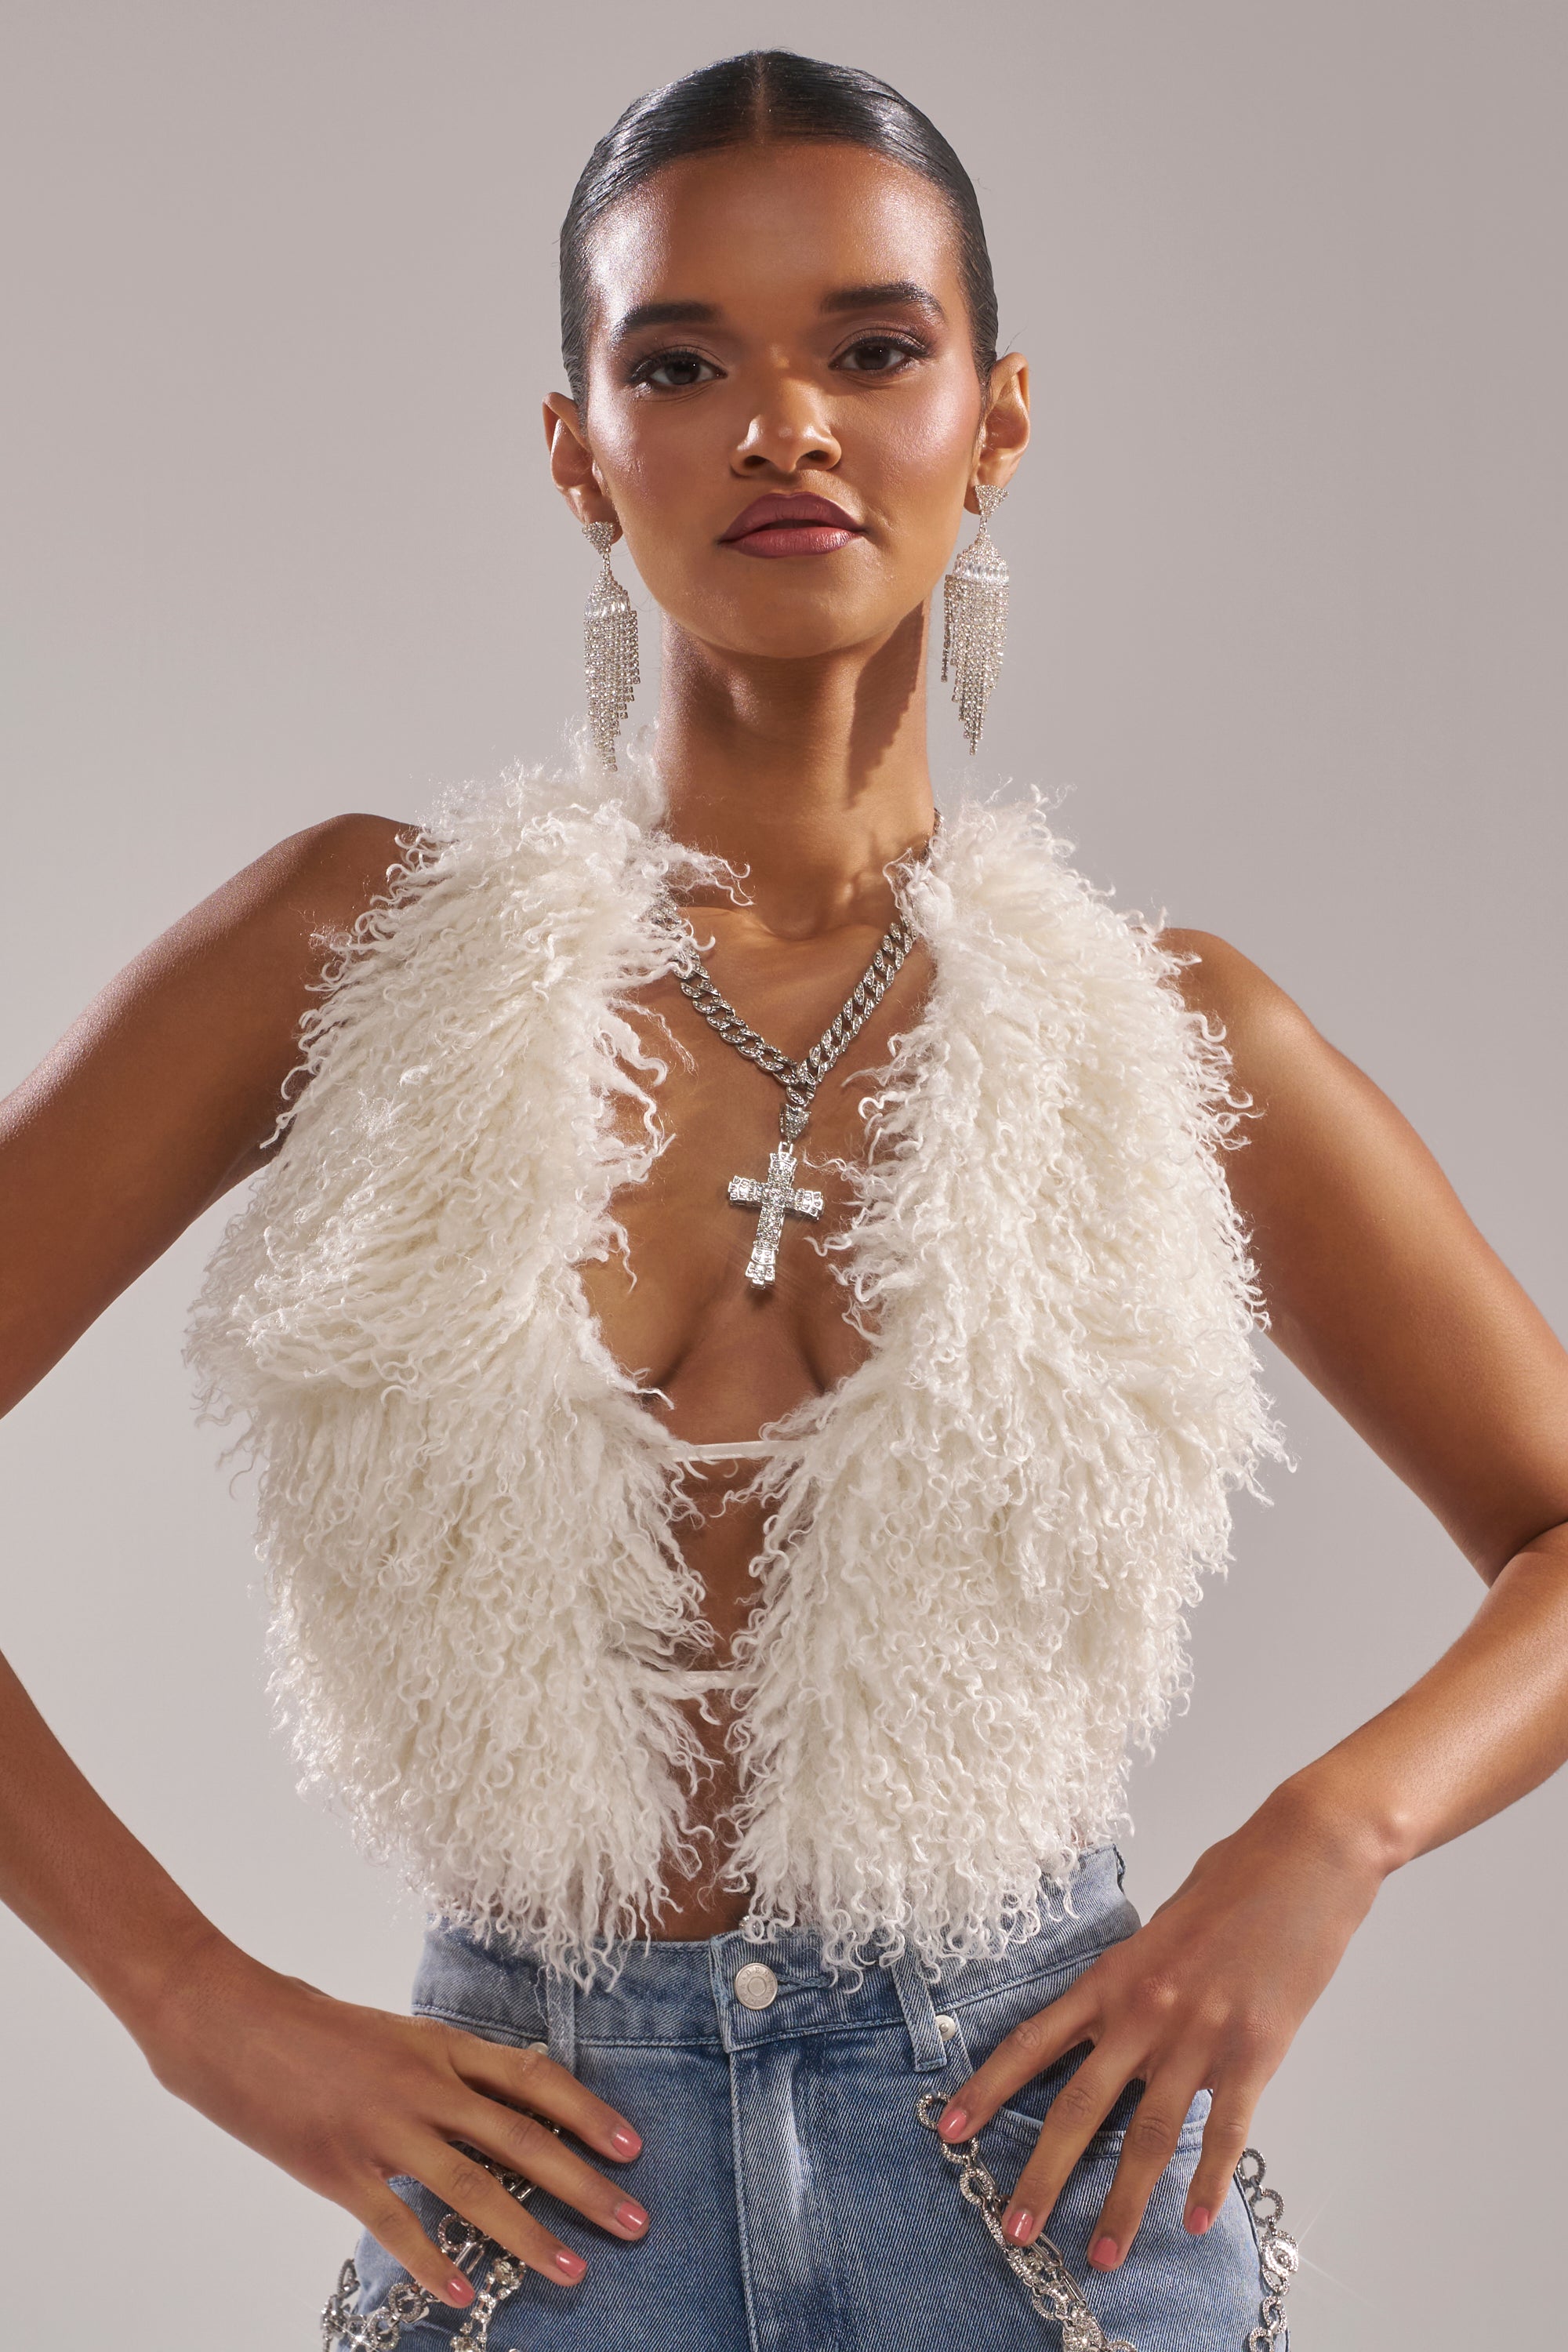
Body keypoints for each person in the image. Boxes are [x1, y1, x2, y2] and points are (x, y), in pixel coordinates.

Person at [2, 48, 1565, 2352]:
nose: (787, 426)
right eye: (679, 363)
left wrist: (1321, 1841)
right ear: (577, 450)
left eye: (869, 348)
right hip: (534, 2191)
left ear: (994, 419)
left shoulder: (1169, 1036)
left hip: (1046, 2187)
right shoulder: (351, 957)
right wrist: (188, 2001)